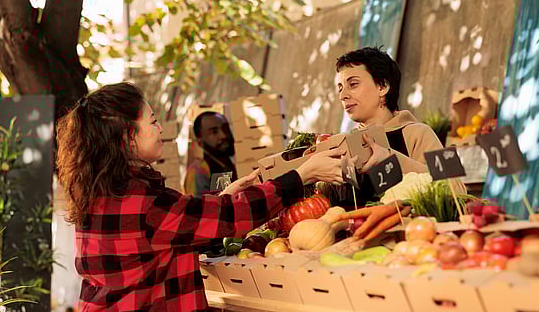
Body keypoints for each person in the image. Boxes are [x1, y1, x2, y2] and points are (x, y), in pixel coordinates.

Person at [56, 82, 345, 311]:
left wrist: (224, 195)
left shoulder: (100, 193)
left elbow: (174, 226)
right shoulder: (144, 201)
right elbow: (227, 217)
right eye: (154, 122)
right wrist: (301, 176)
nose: (159, 129)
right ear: (128, 136)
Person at [334, 46, 466, 236]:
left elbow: (458, 191)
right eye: (340, 88)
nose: (343, 95)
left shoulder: (421, 132)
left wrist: (391, 160)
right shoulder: (344, 146)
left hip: (414, 243)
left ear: (382, 87)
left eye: (353, 84)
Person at [183, 112, 237, 196]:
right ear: (200, 142)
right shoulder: (198, 172)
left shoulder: (229, 164)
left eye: (225, 129)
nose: (224, 136)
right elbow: (199, 207)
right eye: (214, 132)